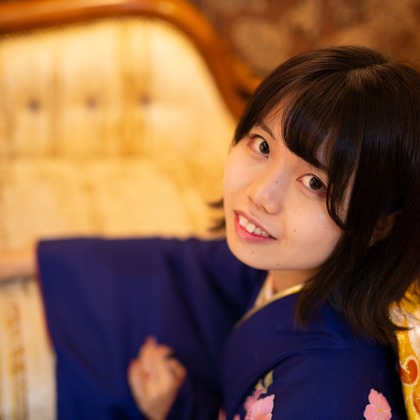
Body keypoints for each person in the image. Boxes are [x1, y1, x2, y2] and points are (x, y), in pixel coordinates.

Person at [126, 45, 420, 419]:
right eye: (262, 145)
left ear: (378, 224)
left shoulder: (330, 394)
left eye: (314, 183)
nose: (260, 194)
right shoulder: (287, 268)